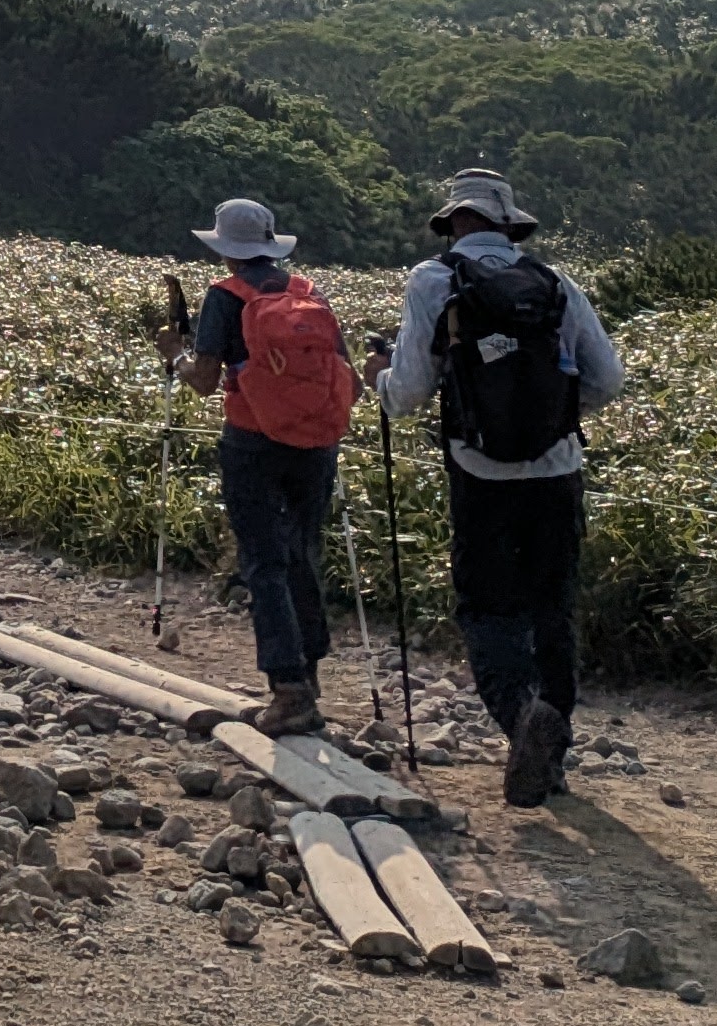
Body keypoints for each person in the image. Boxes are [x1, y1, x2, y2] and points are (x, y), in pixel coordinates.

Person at [376, 162, 627, 807]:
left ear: (453, 222)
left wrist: (379, 379)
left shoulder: (434, 281)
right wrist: (550, 420)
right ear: (510, 226)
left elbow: (405, 394)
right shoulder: (555, 283)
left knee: (488, 607)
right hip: (557, 470)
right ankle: (555, 749)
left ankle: (521, 718)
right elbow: (608, 380)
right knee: (553, 606)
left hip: (480, 472)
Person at [156, 195, 365, 738]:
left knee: (264, 561)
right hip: (316, 443)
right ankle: (308, 678)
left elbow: (203, 381)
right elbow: (349, 380)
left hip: (252, 441)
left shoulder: (225, 298)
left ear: (226, 250)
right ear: (271, 246)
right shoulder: (307, 293)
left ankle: (288, 690)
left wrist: (173, 355)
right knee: (303, 553)